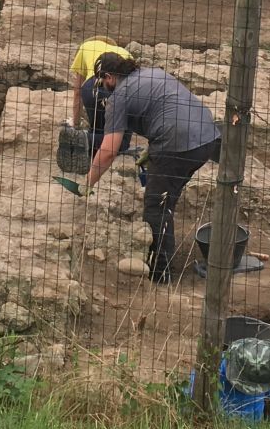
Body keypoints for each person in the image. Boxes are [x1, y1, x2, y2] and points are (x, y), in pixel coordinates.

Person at [80, 53, 221, 283]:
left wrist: (88, 182)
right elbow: (166, 107)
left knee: (157, 205)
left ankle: (160, 273)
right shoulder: (154, 73)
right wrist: (153, 149)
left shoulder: (119, 96)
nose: (103, 88)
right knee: (168, 191)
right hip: (207, 137)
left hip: (178, 144)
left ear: (109, 77)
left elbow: (108, 150)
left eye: (102, 82)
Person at [68, 36, 132, 141]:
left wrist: (75, 124)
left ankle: (80, 138)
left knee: (97, 131)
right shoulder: (124, 52)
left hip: (93, 85)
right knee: (121, 139)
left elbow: (77, 91)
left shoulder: (85, 47)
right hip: (121, 89)